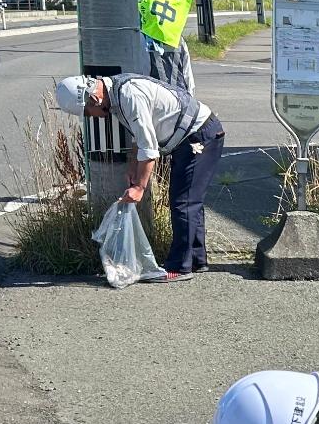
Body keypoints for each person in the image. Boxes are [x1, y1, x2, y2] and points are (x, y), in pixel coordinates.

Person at [52, 70, 226, 279]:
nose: (92, 118)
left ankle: (179, 267)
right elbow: (139, 136)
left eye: (88, 112)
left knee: (184, 202)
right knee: (188, 200)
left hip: (199, 134)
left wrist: (139, 187)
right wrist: (133, 167)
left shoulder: (129, 95)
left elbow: (149, 148)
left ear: (95, 99)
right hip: (190, 135)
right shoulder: (117, 94)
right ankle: (196, 259)